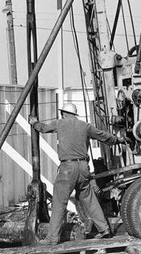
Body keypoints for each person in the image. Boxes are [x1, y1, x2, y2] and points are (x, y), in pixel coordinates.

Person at [29, 102, 127, 245]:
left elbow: (43, 128)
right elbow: (103, 136)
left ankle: (52, 238)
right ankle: (104, 229)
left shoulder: (60, 123)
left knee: (59, 201)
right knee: (88, 198)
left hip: (68, 168)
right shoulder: (85, 126)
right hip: (83, 168)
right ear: (75, 114)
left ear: (63, 113)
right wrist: (118, 140)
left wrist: (34, 123)